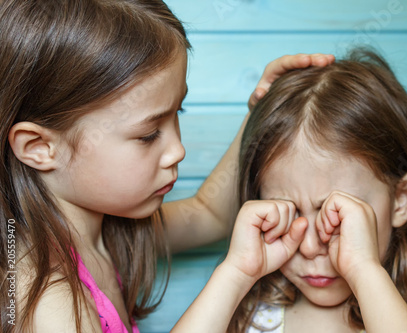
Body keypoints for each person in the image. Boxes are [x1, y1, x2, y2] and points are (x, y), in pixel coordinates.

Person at [0, 1, 334, 332]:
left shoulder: (113, 234)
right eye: (148, 134)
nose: (178, 150)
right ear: (39, 148)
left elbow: (210, 214)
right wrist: (236, 276)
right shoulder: (48, 300)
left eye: (179, 113)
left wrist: (259, 113)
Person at [171, 47, 407, 333]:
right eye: (288, 213)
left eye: (337, 215)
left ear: (402, 200)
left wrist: (364, 271)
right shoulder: (241, 320)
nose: (311, 246)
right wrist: (235, 274)